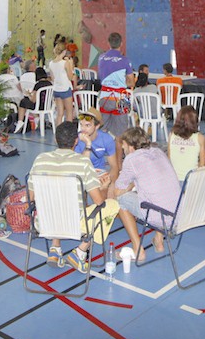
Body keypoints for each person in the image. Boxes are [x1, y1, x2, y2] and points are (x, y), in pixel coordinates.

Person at [27, 121, 119, 273]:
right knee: (112, 205)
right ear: (76, 141)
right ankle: (80, 252)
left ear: (55, 139)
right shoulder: (82, 162)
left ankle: (55, 249)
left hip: (43, 224)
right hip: (73, 225)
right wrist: (103, 187)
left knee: (55, 201)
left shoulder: (40, 160)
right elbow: (98, 201)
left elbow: (31, 197)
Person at [111, 127, 181, 263]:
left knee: (121, 200)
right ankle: (158, 241)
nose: (123, 149)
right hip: (179, 213)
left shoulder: (131, 159)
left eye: (124, 145)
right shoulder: (158, 151)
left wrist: (131, 185)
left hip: (161, 216)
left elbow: (118, 191)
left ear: (131, 147)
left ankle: (138, 250)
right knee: (159, 194)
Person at [97, 33, 135, 138]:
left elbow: (100, 76)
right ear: (121, 43)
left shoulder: (101, 58)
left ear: (108, 43)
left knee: (103, 131)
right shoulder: (125, 60)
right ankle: (120, 148)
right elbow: (132, 83)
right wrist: (122, 82)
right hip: (122, 97)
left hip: (104, 96)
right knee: (122, 133)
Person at [73, 108, 119, 188]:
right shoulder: (76, 139)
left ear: (97, 126)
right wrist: (88, 144)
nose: (83, 129)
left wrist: (112, 185)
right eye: (81, 125)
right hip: (81, 172)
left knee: (107, 187)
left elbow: (114, 166)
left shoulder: (107, 139)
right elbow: (81, 165)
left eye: (87, 125)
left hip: (99, 172)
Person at [168, 106, 205, 181]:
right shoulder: (200, 138)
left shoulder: (171, 135)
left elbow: (169, 160)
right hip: (191, 181)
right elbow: (202, 166)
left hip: (174, 180)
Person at [14, 67, 51, 133]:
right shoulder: (50, 84)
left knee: (23, 102)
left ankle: (20, 122)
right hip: (47, 106)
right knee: (28, 104)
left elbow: (33, 100)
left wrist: (28, 94)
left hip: (38, 106)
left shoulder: (37, 85)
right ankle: (37, 119)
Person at [48, 42, 76, 124]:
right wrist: (71, 65)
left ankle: (58, 131)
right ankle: (68, 131)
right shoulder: (65, 63)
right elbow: (70, 77)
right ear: (64, 51)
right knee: (69, 113)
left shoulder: (51, 63)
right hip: (65, 89)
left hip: (56, 89)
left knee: (60, 114)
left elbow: (53, 78)